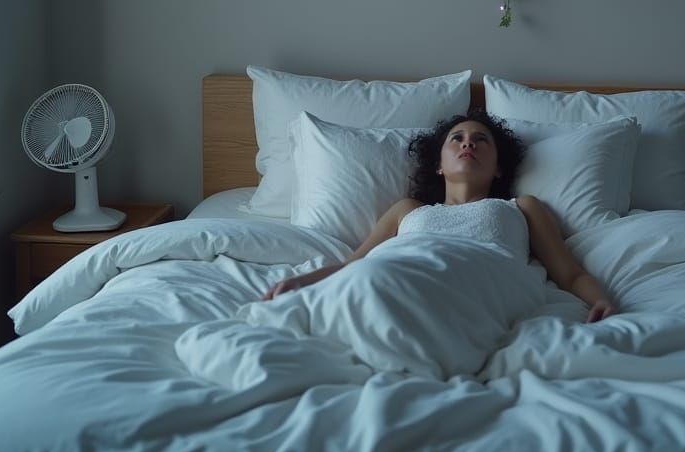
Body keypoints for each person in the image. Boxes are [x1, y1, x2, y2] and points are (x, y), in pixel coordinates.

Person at [262, 108, 618, 323]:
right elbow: (354, 265)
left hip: (476, 286)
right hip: (395, 278)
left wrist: (602, 300)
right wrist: (303, 283)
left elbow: (569, 275)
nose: (468, 144)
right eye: (457, 138)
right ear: (439, 164)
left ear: (498, 168)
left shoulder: (521, 207)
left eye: (481, 140)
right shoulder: (408, 211)